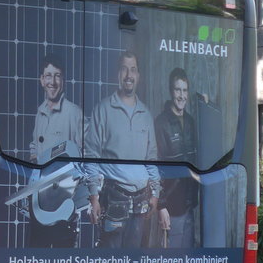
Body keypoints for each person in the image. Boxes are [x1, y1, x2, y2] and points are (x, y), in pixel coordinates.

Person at [85, 51, 161, 248]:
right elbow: (91, 156)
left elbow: (151, 158)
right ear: (118, 74)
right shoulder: (102, 109)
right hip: (112, 202)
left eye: (133, 70)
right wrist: (94, 196)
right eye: (125, 69)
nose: (129, 75)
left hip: (140, 203)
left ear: (138, 76)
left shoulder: (145, 114)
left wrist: (155, 193)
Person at [27, 54, 84, 246]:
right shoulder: (40, 112)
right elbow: (35, 145)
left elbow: (89, 152)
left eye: (57, 76)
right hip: (39, 204)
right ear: (42, 80)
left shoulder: (74, 113)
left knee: (63, 262)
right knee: (37, 260)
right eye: (48, 76)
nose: (53, 81)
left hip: (64, 205)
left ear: (63, 80)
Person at [155, 68, 199, 248]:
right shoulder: (161, 123)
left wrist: (206, 104)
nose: (181, 96)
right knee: (172, 261)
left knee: (188, 258)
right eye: (177, 90)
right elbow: (155, 165)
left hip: (190, 203)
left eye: (185, 90)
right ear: (171, 91)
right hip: (172, 205)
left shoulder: (190, 122)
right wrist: (161, 205)